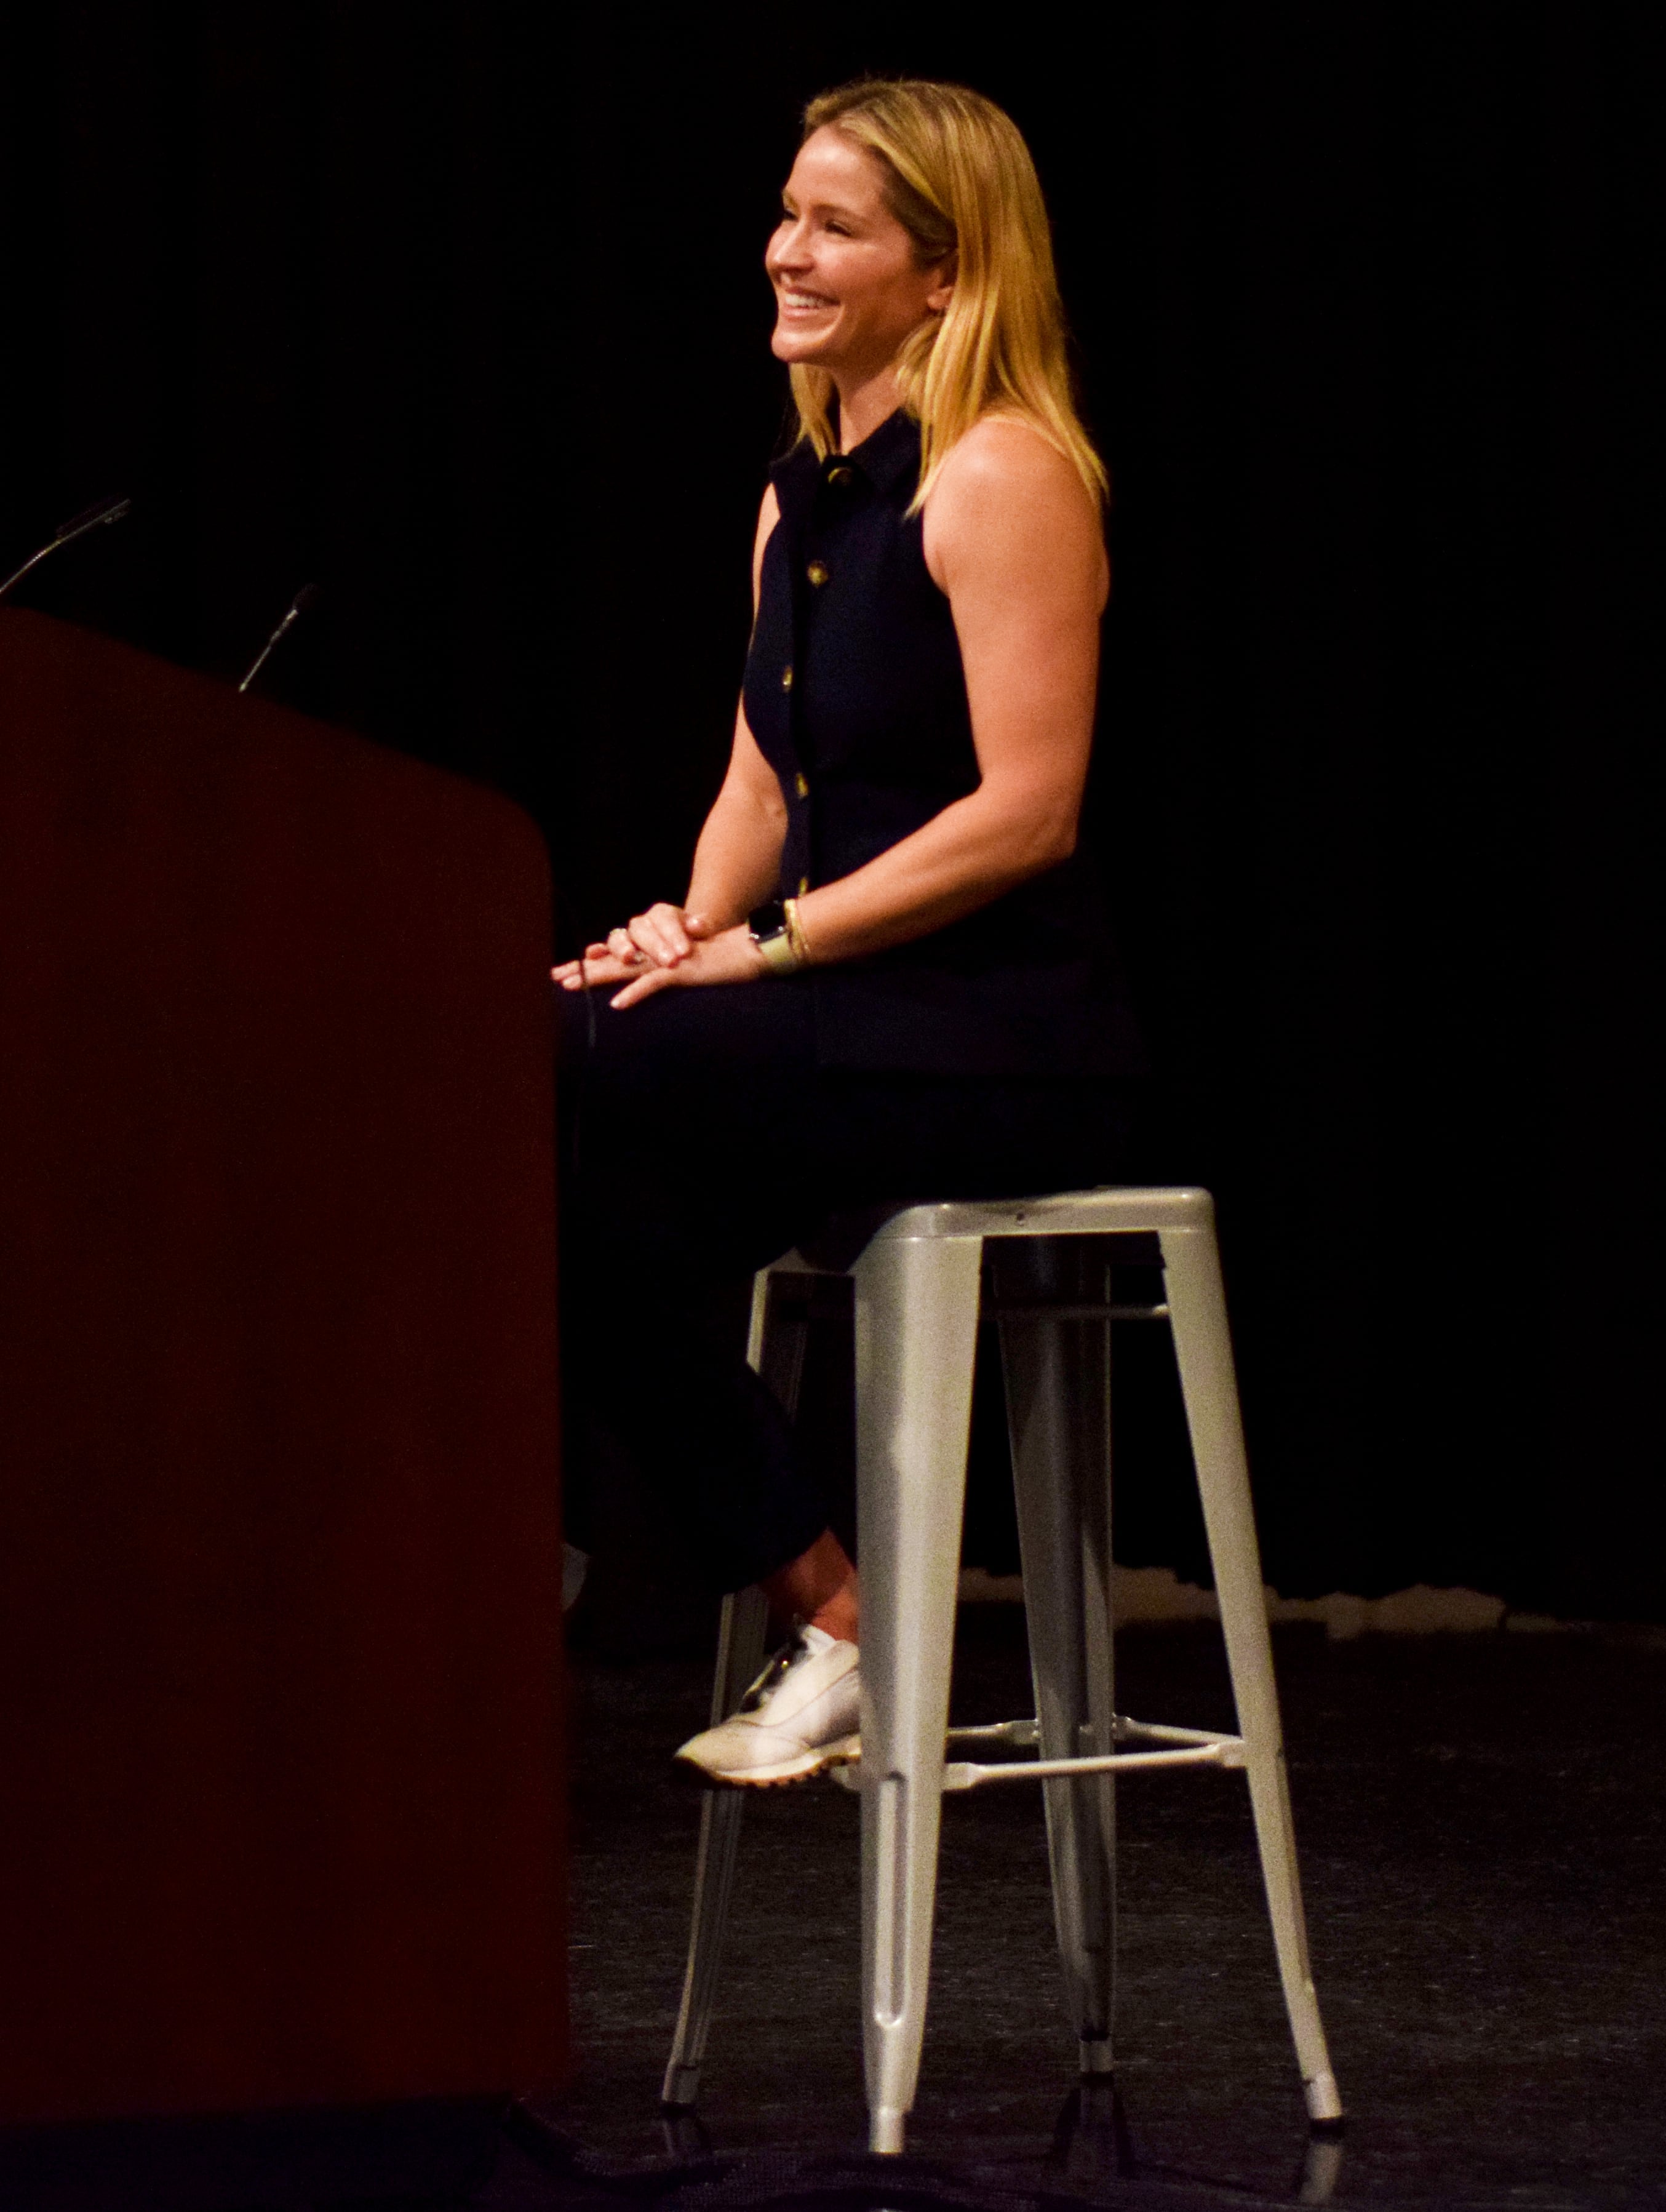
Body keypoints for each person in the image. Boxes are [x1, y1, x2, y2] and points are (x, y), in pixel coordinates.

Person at [553, 78, 1146, 1786]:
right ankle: (839, 1619)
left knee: (560, 1062)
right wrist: (682, 928)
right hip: (837, 1017)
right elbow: (758, 772)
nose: (785, 253)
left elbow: (1025, 812)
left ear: (944, 276)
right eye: (787, 213)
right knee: (573, 1210)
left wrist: (767, 950)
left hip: (996, 1035)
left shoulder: (1002, 473)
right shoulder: (802, 484)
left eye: (835, 226)